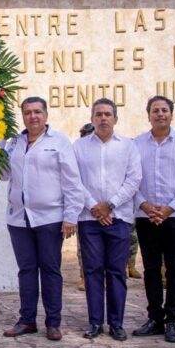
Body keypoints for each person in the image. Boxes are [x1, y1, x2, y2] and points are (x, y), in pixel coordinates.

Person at [2, 97, 83, 341]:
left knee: (50, 269)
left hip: (50, 218)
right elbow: (4, 173)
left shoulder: (59, 142)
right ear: (23, 116)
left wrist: (71, 216)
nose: (33, 116)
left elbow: (72, 181)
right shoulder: (14, 143)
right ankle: (27, 320)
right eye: (28, 112)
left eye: (37, 112)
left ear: (46, 115)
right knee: (26, 270)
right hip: (18, 218)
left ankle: (53, 322)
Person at [74, 98, 142, 341]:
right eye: (99, 114)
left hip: (119, 218)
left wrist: (109, 205)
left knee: (116, 272)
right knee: (92, 271)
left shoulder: (128, 147)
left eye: (107, 114)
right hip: (89, 219)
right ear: (92, 118)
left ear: (115, 119)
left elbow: (134, 180)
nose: (103, 118)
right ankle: (94, 323)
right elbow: (74, 181)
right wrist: (94, 206)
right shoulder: (79, 147)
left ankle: (116, 323)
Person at [131, 96, 175, 343]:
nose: (160, 114)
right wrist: (146, 206)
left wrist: (169, 209)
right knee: (150, 269)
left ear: (171, 113)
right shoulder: (137, 144)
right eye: (155, 111)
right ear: (148, 115)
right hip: (145, 215)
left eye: (164, 110)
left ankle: (172, 320)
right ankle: (155, 318)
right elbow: (131, 179)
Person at [76, 123, 94, 291]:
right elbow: (73, 181)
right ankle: (84, 276)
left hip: (109, 209)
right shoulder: (77, 151)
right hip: (84, 209)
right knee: (83, 248)